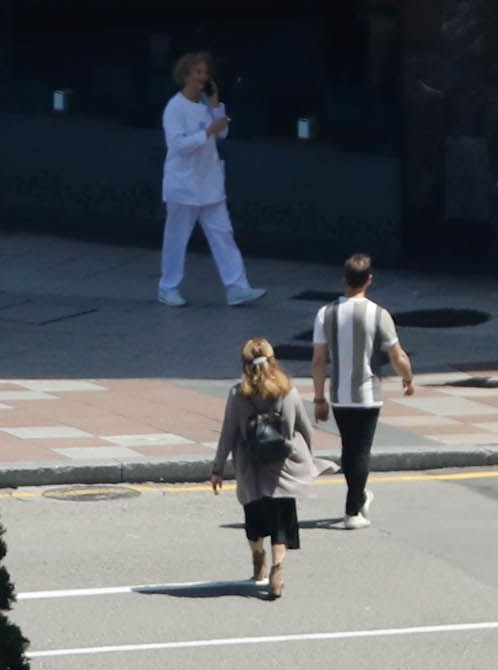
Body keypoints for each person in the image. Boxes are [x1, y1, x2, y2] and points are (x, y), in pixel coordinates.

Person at [306, 252, 416, 528]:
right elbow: (397, 355)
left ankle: (359, 496)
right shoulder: (379, 314)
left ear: (345, 278)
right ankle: (353, 510)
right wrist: (408, 378)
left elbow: (319, 361)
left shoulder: (325, 313)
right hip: (368, 395)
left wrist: (318, 397)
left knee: (349, 449)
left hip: (340, 395)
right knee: (361, 451)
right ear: (369, 280)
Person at [205, 338, 321, 600]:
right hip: (282, 468)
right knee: (282, 522)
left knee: (255, 519)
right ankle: (278, 569)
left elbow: (228, 432)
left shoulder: (238, 394)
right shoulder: (287, 391)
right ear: (273, 361)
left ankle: (259, 558)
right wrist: (308, 460)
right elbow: (305, 427)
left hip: (252, 469)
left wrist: (217, 468)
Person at [155, 52, 256, 308]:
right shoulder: (175, 107)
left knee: (223, 234)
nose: (203, 77)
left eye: (205, 72)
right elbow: (178, 146)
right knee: (177, 238)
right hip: (184, 186)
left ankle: (237, 288)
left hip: (209, 184)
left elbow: (223, 133)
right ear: (186, 75)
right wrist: (207, 131)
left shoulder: (205, 104)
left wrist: (216, 105)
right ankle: (168, 287)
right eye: (198, 72)